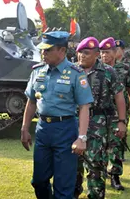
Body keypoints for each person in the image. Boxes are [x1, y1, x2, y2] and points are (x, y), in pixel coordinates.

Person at [21, 31, 94, 199]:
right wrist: (25, 128)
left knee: (63, 185)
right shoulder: (37, 71)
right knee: (38, 180)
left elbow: (84, 107)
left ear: (61, 51)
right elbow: (31, 102)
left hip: (65, 130)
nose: (43, 53)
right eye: (42, 50)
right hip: (43, 130)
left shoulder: (76, 73)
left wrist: (81, 137)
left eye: (48, 50)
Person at [74, 37, 127, 199]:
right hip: (73, 122)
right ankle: (73, 191)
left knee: (96, 163)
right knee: (72, 162)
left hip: (99, 123)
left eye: (87, 53)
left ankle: (96, 194)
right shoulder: (72, 70)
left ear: (97, 54)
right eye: (80, 52)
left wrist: (122, 121)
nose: (82, 56)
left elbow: (119, 96)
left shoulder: (108, 72)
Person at [99, 37, 130, 191]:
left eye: (107, 52)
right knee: (99, 144)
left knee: (117, 144)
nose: (104, 56)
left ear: (115, 52)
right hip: (99, 114)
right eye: (102, 52)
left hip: (119, 114)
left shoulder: (124, 69)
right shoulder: (96, 69)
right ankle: (99, 174)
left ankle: (115, 176)